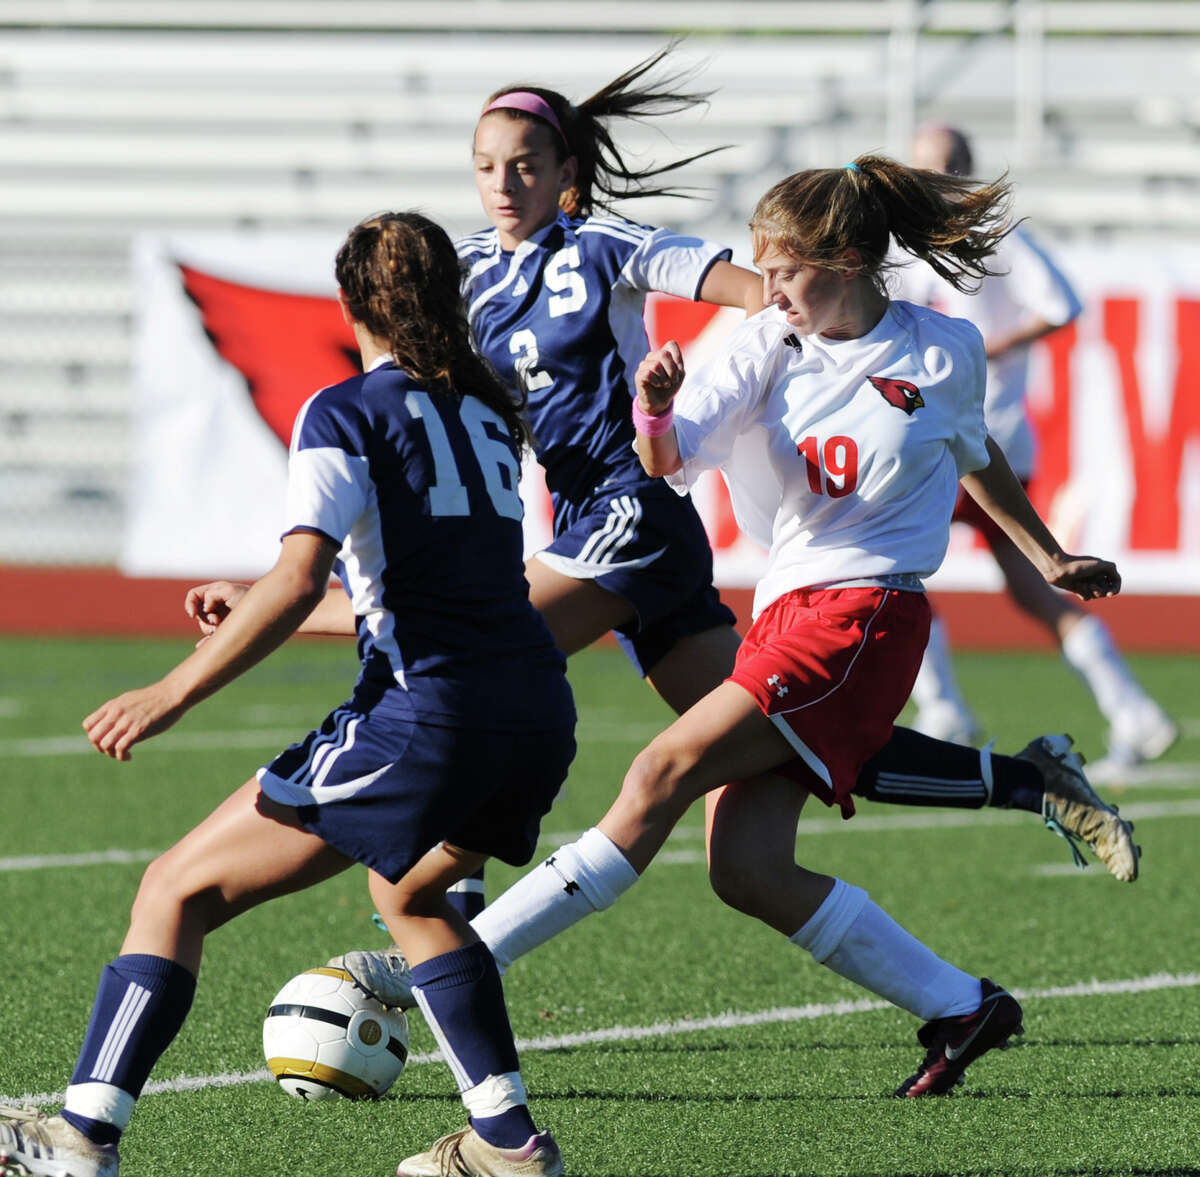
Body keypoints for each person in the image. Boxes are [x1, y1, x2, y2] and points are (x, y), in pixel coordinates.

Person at [378, 155, 1127, 1100]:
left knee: (657, 774)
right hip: (783, 610)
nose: (767, 291)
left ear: (850, 259)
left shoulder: (944, 348)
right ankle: (962, 1002)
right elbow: (665, 460)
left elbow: (975, 452)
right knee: (746, 866)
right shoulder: (760, 341)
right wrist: (651, 408)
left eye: (786, 273)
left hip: (867, 613)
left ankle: (443, 966)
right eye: (762, 272)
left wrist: (1049, 554)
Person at [0, 213, 576, 1177]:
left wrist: (170, 693)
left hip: (428, 712)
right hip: (534, 710)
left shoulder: (344, 408)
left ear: (348, 302)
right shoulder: (487, 409)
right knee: (413, 891)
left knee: (172, 889)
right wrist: (258, 590)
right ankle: (508, 1143)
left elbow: (302, 575)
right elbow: (426, 580)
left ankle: (79, 1138)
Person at [893, 123, 1176, 773]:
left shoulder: (995, 234)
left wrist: (987, 348)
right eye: (923, 167)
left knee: (896, 569)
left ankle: (943, 711)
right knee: (1029, 588)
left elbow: (1062, 303)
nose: (932, 178)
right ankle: (1134, 710)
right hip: (961, 433)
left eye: (941, 165)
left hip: (975, 434)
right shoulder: (912, 241)